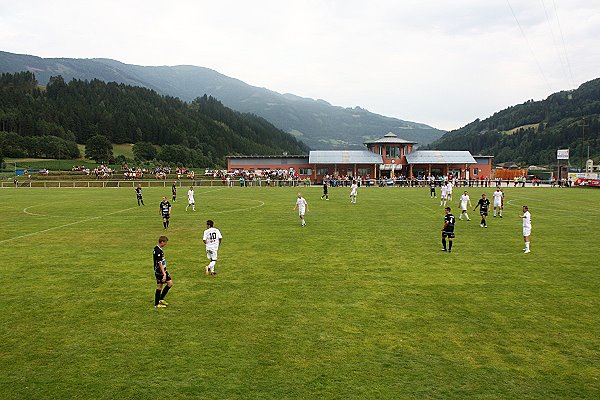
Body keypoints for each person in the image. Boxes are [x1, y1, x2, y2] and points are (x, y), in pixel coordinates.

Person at [153, 235, 173, 308]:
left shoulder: (158, 249)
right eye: (165, 243)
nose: (165, 244)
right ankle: (156, 304)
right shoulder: (157, 250)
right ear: (162, 242)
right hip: (160, 272)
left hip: (163, 270)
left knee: (170, 283)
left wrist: (166, 271)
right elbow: (160, 263)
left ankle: (160, 299)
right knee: (159, 286)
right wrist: (164, 274)